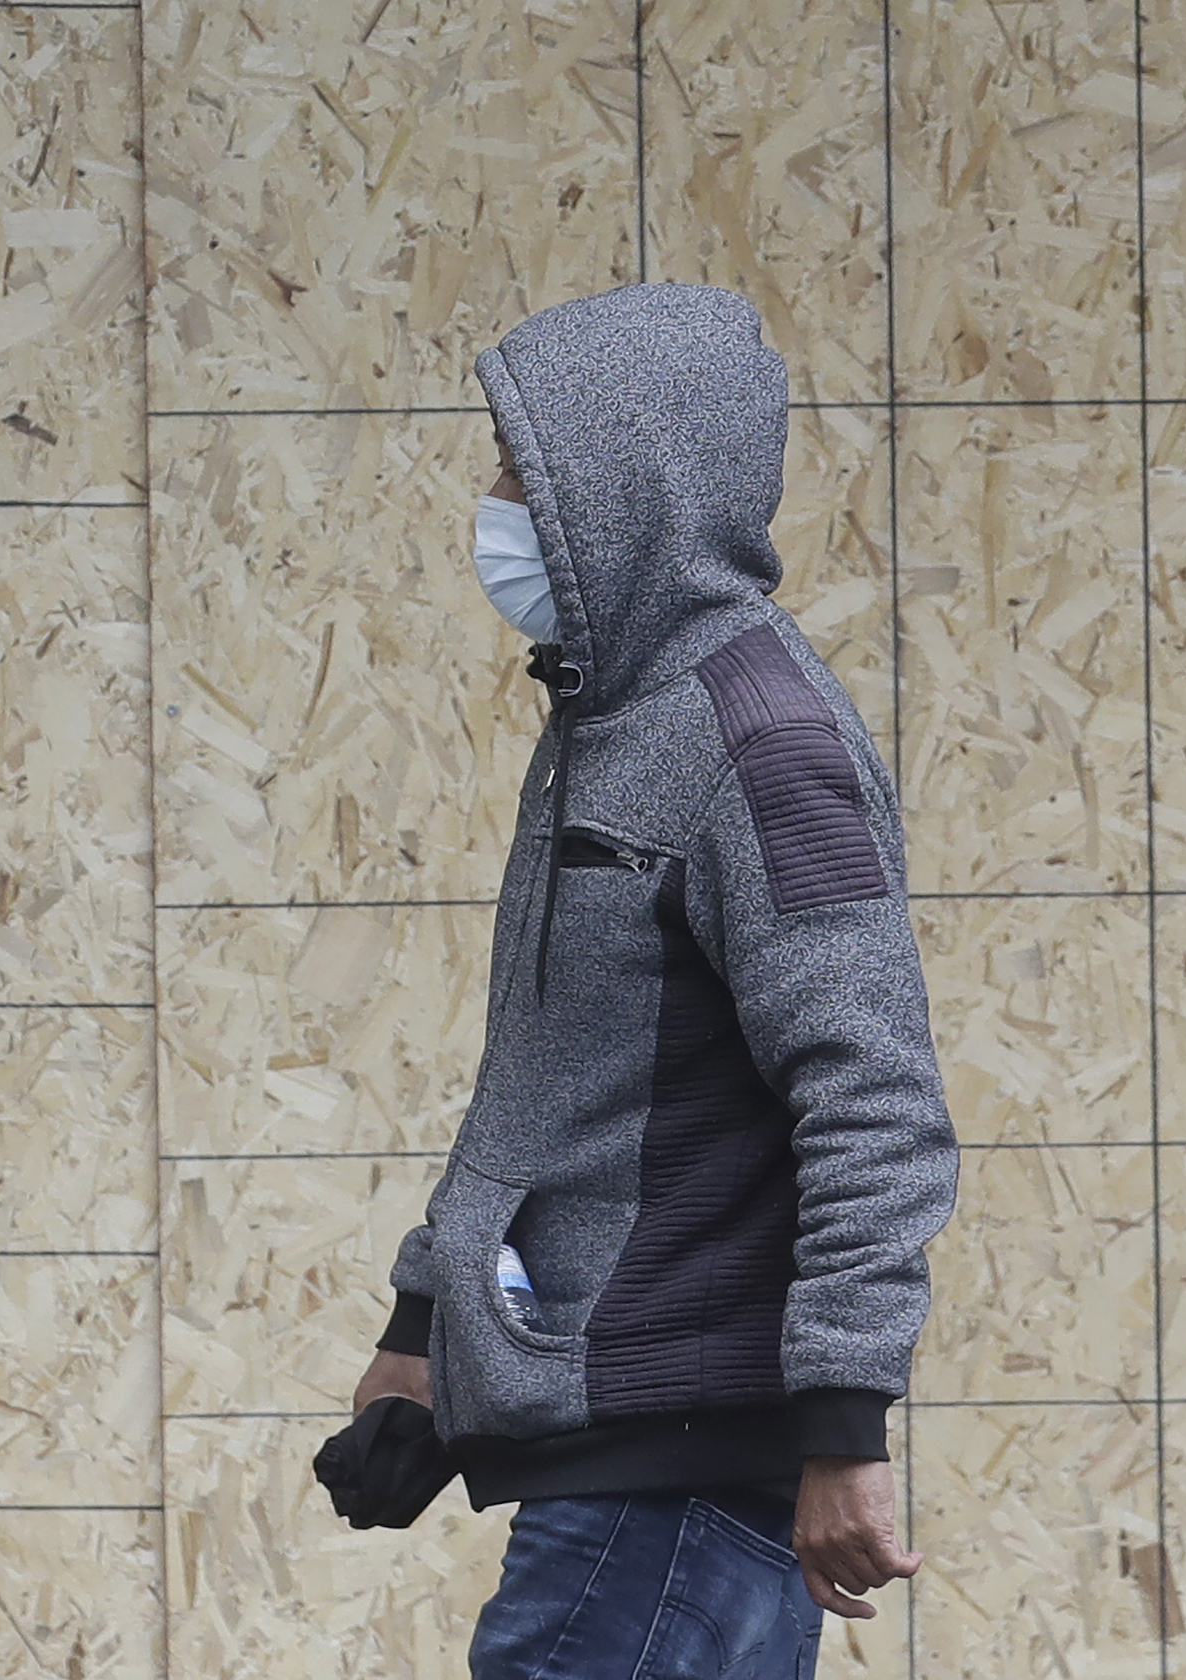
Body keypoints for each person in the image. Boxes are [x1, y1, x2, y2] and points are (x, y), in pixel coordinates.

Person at [347, 281, 960, 1678]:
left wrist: (843, 1425)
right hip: (616, 1468)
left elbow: (873, 1097)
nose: (497, 498)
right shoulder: (609, 724)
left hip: (678, 1483)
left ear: (627, 478)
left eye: (521, 465)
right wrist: (425, 1332)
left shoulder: (758, 741)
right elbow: (549, 1084)